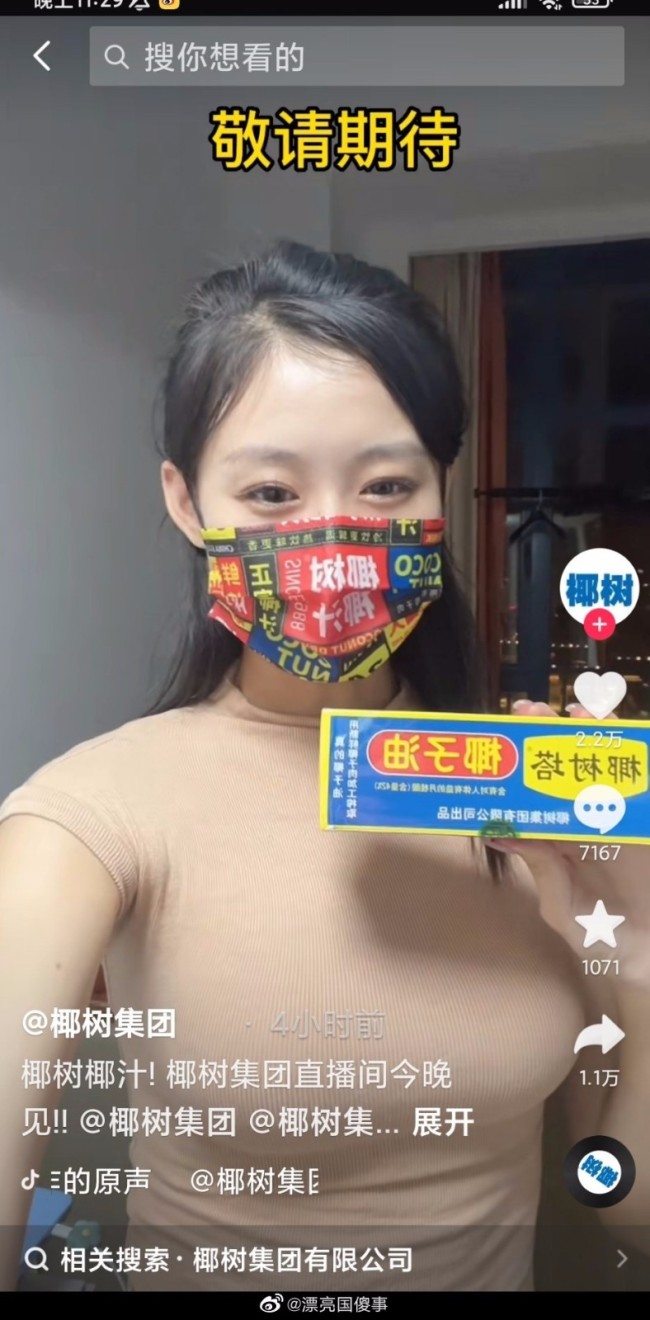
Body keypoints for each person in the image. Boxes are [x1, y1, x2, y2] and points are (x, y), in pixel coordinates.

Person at [1, 241, 648, 1295]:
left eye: (386, 485)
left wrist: (636, 942)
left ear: (439, 494)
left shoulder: (533, 797)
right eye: (270, 492)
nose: (335, 537)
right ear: (185, 502)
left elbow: (624, 1205)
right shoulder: (86, 817)